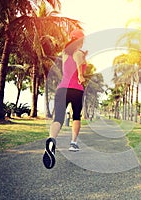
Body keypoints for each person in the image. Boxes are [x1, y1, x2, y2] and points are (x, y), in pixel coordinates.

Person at [43, 29, 87, 169]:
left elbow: (69, 66)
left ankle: (51, 140)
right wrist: (81, 75)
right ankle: (73, 143)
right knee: (76, 117)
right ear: (80, 40)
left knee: (58, 118)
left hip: (62, 89)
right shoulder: (78, 53)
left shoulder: (64, 53)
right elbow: (79, 67)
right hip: (76, 89)